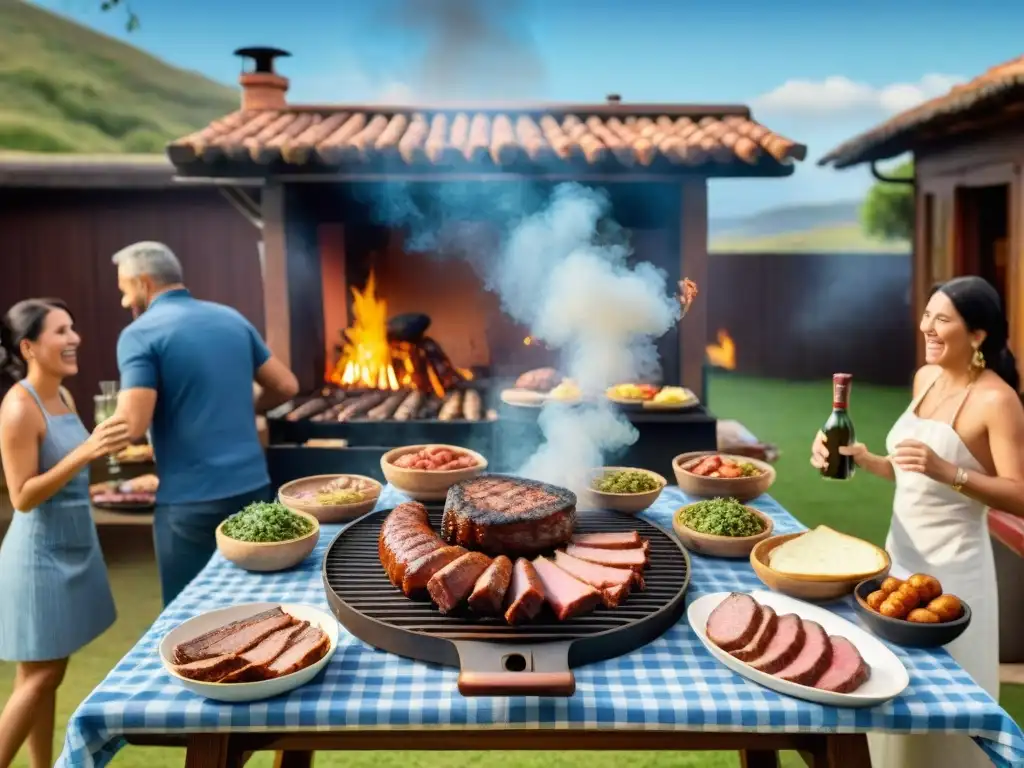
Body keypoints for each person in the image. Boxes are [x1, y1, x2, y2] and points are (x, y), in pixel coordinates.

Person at [810, 275, 1024, 768]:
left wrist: (951, 472)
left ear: (978, 335)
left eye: (942, 319)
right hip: (900, 568)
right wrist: (865, 458)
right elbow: (909, 470)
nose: (928, 327)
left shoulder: (997, 400)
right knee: (899, 697)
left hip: (957, 577)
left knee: (947, 711)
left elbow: (1017, 493)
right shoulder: (924, 379)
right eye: (927, 314)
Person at [110, 242, 299, 606]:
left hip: (191, 502)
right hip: (252, 487)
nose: (123, 301)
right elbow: (286, 386)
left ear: (143, 282)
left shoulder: (139, 333)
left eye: (124, 289)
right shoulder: (231, 317)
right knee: (255, 601)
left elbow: (131, 426)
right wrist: (246, 409)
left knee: (190, 614)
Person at [0, 299, 129, 768]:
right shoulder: (18, 407)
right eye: (61, 331)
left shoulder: (64, 395)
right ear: (29, 346)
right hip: (38, 557)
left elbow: (71, 472)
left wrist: (122, 478)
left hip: (72, 545)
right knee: (40, 677)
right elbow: (22, 495)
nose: (74, 338)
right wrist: (90, 449)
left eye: (72, 328)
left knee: (42, 678)